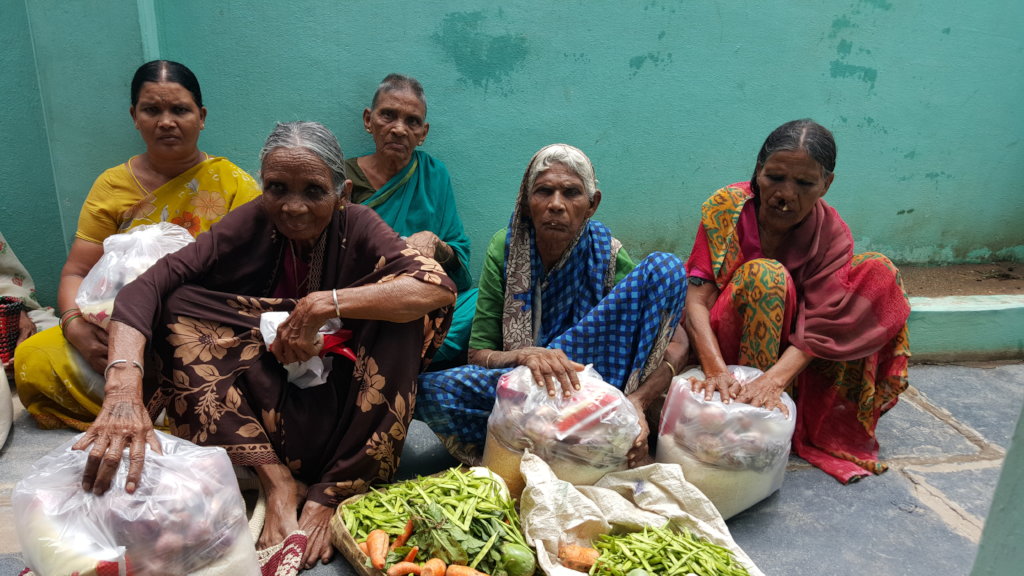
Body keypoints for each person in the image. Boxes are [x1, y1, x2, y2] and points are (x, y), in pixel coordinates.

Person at [73, 121, 456, 570]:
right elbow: (147, 287)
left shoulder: (360, 223)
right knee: (175, 304)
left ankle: (335, 489)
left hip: (349, 400)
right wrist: (122, 388)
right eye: (277, 188)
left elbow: (436, 287)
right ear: (263, 187)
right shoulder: (254, 219)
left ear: (343, 193)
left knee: (405, 317)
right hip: (265, 394)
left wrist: (322, 305)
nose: (293, 207)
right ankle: (276, 482)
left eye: (313, 191)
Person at [14, 60, 261, 431]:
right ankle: (171, 414)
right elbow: (77, 271)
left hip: (198, 332)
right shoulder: (112, 185)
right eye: (152, 110)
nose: (166, 121)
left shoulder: (233, 185)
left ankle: (163, 409)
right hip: (114, 332)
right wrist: (74, 328)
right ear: (134, 116)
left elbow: (255, 276)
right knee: (33, 358)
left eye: (179, 109)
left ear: (202, 116)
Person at [417, 144, 688, 466]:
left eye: (571, 193)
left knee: (665, 267)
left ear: (592, 204)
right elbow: (477, 354)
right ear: (527, 201)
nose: (556, 205)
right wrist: (526, 355)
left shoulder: (608, 254)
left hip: (594, 390)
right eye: (544, 191)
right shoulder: (505, 248)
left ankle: (572, 434)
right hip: (525, 386)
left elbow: (680, 341)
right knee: (427, 390)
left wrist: (637, 403)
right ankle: (560, 441)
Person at [683, 119, 911, 484]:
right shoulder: (726, 209)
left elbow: (820, 325)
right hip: (724, 350)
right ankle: (742, 418)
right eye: (774, 178)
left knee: (877, 273)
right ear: (758, 172)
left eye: (804, 183)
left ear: (826, 184)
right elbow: (696, 301)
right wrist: (716, 371)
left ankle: (778, 410)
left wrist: (772, 381)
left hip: (790, 364)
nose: (786, 194)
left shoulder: (831, 233)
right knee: (766, 276)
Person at [346, 74, 475, 366]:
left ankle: (387, 363)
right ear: (368, 120)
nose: (399, 129)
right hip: (362, 306)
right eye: (388, 116)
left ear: (423, 132)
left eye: (412, 121)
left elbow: (461, 271)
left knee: (480, 303)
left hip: (419, 307)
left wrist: (436, 244)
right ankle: (396, 364)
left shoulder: (433, 175)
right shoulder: (343, 179)